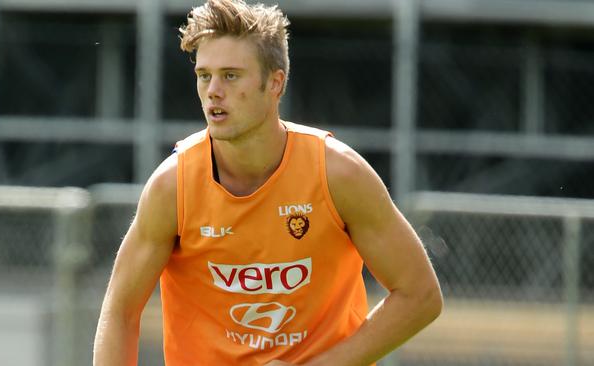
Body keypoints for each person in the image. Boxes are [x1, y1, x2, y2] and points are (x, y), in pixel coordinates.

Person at [93, 0, 442, 365]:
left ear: (275, 83)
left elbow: (420, 295)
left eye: (230, 75)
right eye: (204, 75)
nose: (213, 90)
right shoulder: (172, 186)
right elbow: (119, 311)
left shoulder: (339, 174)